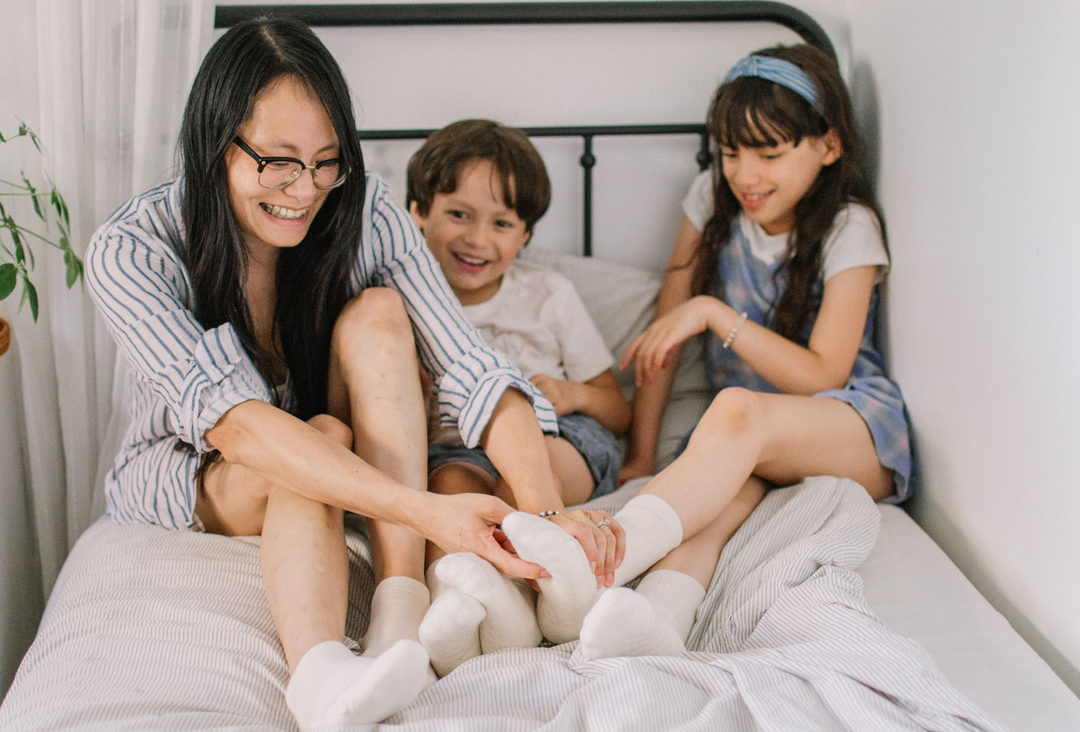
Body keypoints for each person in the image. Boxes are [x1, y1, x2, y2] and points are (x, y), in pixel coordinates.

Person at [84, 18, 621, 730]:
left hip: (334, 435)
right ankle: (318, 677)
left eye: (326, 161)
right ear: (215, 143)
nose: (305, 189)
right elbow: (241, 430)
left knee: (378, 314)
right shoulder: (132, 250)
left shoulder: (367, 210)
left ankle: (399, 605)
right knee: (315, 443)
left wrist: (548, 520)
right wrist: (427, 511)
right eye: (279, 162)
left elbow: (470, 364)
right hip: (199, 466)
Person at [496, 43, 912, 661]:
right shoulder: (712, 197)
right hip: (753, 437)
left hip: (851, 425)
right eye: (730, 153)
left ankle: (597, 562)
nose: (745, 175)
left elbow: (824, 373)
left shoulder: (849, 227)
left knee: (737, 409)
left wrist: (715, 314)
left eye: (769, 154)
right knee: (707, 513)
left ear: (828, 146)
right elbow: (661, 342)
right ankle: (661, 620)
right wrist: (641, 456)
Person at [400, 120, 631, 674]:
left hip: (558, 437)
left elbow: (618, 410)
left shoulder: (548, 294)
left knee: (522, 489)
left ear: (524, 236)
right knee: (447, 495)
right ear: (417, 213)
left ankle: (534, 604)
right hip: (453, 450)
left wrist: (570, 393)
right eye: (459, 214)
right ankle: (463, 603)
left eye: (502, 223)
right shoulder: (398, 302)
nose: (478, 239)